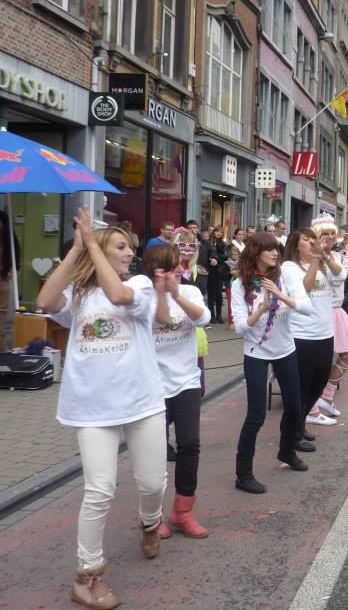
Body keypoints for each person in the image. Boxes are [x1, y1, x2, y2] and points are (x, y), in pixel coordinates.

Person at [37, 209, 165, 610]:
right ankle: (87, 576)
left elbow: (120, 296)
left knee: (152, 483)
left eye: (130, 247)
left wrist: (94, 243)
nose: (131, 253)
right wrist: (77, 250)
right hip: (92, 408)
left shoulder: (142, 285)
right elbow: (44, 301)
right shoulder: (78, 295)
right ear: (99, 254)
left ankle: (149, 521)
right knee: (99, 489)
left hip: (141, 402)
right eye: (121, 247)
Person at [231, 232, 312, 494]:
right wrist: (260, 311)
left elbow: (305, 306)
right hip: (255, 352)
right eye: (269, 250)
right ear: (255, 252)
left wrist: (280, 295)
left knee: (294, 406)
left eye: (276, 249)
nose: (275, 253)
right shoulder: (240, 285)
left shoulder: (285, 276)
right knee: (255, 415)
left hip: (285, 349)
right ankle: (243, 474)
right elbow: (240, 328)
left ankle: (287, 452)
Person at [142, 244, 211, 540]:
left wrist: (176, 293)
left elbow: (203, 319)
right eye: (170, 268)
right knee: (154, 453)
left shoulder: (190, 292)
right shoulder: (141, 297)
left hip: (186, 382)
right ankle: (151, 515)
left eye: (179, 266)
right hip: (152, 384)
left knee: (189, 445)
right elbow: (156, 321)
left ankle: (182, 511)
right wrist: (161, 293)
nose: (178, 271)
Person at [282, 227, 342, 441]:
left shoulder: (323, 263)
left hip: (325, 333)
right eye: (306, 240)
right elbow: (305, 289)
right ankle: (294, 432)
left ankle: (301, 423)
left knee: (319, 382)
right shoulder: (289, 267)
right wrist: (316, 259)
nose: (311, 243)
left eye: (312, 239)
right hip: (303, 334)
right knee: (303, 386)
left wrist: (324, 255)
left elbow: (341, 275)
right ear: (295, 245)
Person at [309, 217, 348, 420]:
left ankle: (327, 396)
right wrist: (323, 256)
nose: (330, 237)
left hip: (336, 311)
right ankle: (313, 407)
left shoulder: (336, 255)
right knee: (317, 362)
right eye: (325, 233)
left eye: (332, 233)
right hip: (319, 312)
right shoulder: (311, 257)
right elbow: (337, 276)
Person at [0, 209, 20, 351]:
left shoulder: (3, 219)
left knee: (1, 313)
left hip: (2, 274)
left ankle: (2, 351)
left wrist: (13, 266)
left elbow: (13, 245)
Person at [205, 226, 228, 323]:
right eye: (217, 231)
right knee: (211, 293)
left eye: (221, 232)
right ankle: (212, 315)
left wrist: (218, 257)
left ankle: (219, 315)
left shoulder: (223, 243)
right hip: (210, 270)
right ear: (214, 232)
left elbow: (226, 257)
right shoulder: (208, 242)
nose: (219, 233)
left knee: (219, 294)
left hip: (219, 271)